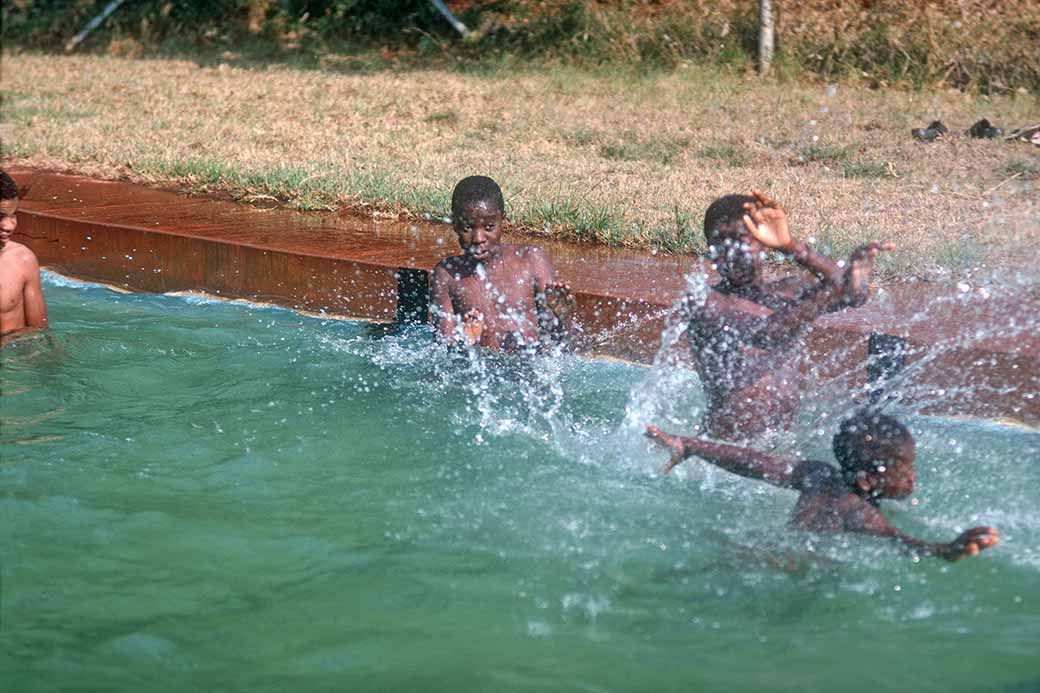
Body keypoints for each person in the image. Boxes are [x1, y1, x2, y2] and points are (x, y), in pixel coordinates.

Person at [672, 190, 893, 443]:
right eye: (719, 242)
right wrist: (832, 291)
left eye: (742, 239)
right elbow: (768, 335)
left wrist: (791, 246)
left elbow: (855, 294)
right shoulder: (705, 302)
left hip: (780, 445)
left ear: (763, 242)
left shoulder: (789, 291)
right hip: (721, 449)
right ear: (710, 252)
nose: (732, 250)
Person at [645, 410, 999, 561]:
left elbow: (754, 462)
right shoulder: (860, 511)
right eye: (904, 469)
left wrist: (691, 445)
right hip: (791, 569)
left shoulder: (818, 474)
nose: (912, 477)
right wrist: (946, 549)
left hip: (758, 551)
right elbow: (904, 543)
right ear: (867, 478)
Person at [430, 175, 574, 352]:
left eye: (489, 227)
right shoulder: (447, 274)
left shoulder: (530, 260)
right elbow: (442, 350)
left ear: (502, 221)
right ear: (455, 225)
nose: (478, 238)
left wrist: (563, 316)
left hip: (530, 371)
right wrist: (465, 341)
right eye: (467, 228)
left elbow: (559, 347)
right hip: (478, 374)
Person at [0, 170, 48, 346]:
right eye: (0, 216)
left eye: (13, 214)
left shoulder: (21, 260)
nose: (9, 226)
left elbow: (39, 334)